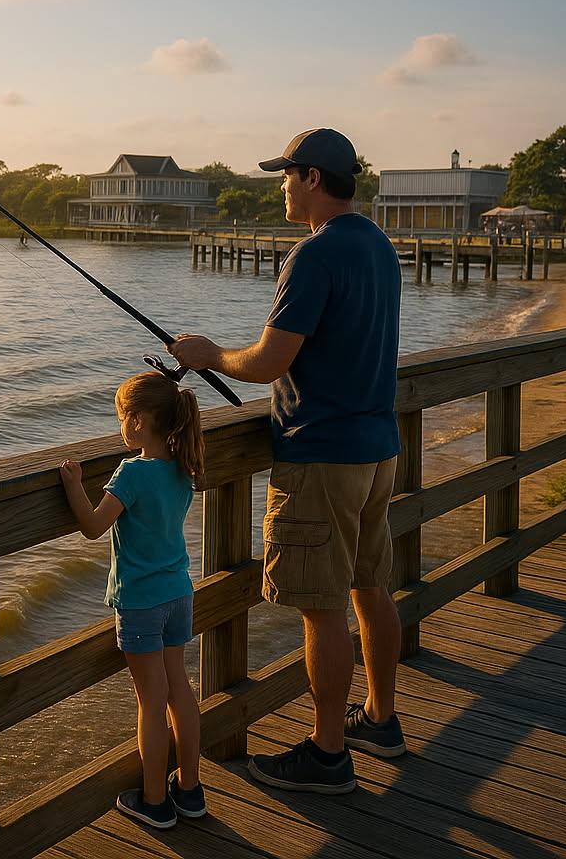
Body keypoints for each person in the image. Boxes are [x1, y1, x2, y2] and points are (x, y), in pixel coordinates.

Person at [169, 128, 407, 796]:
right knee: (369, 586)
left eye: (285, 175)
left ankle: (328, 754)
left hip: (322, 455)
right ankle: (381, 721)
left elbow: (271, 361)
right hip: (378, 448)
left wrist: (210, 356)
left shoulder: (315, 254)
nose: (279, 185)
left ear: (311, 177)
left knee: (323, 606)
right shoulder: (378, 247)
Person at [57, 371, 209, 829]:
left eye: (123, 417)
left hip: (141, 601)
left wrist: (72, 484)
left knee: (151, 700)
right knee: (178, 688)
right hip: (179, 592)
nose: (120, 426)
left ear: (140, 421)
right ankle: (191, 789)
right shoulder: (183, 467)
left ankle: (155, 801)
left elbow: (92, 525)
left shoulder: (132, 473)